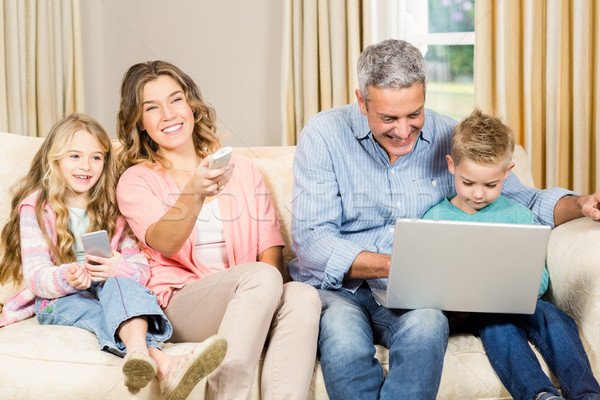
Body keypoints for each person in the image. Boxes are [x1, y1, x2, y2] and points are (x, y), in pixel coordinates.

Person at [289, 38, 600, 399]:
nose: (403, 132)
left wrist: (581, 206)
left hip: (409, 297)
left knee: (428, 323)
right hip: (338, 289)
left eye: (414, 114)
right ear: (361, 101)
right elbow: (313, 241)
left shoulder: (448, 136)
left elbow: (526, 200)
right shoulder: (324, 134)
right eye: (388, 118)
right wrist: (401, 265)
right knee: (344, 342)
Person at [115, 60, 321, 400]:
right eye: (152, 107)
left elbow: (270, 244)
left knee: (303, 295)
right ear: (139, 122)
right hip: (182, 304)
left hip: (249, 296)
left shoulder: (241, 169)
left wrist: (265, 301)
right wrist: (194, 191)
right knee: (261, 278)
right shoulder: (137, 180)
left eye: (175, 99)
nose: (168, 114)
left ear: (192, 106)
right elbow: (164, 242)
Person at [0, 114, 226, 400]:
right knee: (100, 312)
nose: (86, 166)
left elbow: (142, 272)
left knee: (121, 286)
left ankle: (138, 355)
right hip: (59, 299)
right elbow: (36, 276)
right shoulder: (36, 207)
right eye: (75, 156)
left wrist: (119, 266)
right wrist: (68, 276)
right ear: (55, 159)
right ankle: (160, 360)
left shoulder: (112, 209)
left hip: (106, 289)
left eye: (96, 157)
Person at [422, 108, 600, 400]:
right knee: (498, 328)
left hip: (521, 302)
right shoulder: (434, 217)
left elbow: (540, 278)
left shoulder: (518, 215)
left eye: (491, 185)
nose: (478, 194)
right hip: (474, 314)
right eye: (468, 183)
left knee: (554, 318)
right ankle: (540, 395)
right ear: (451, 165)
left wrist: (523, 288)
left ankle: (587, 394)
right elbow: (428, 279)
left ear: (508, 172)